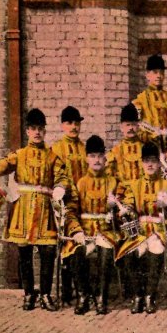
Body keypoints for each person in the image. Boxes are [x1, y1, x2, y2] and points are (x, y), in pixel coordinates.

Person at [0, 109, 70, 311]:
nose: (37, 132)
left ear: (45, 131)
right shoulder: (19, 155)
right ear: (28, 131)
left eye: (40, 129)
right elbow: (0, 168)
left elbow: (62, 177)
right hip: (23, 210)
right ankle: (29, 294)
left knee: (48, 252)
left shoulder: (52, 157)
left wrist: (60, 188)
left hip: (46, 210)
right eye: (33, 129)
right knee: (25, 253)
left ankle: (46, 294)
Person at [115, 142, 167, 314]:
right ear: (141, 163)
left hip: (159, 230)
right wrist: (126, 210)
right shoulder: (134, 185)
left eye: (153, 160)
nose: (150, 165)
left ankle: (150, 296)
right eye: (146, 161)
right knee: (129, 251)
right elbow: (129, 204)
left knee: (156, 248)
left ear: (159, 163)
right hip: (140, 230)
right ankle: (137, 295)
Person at [62, 135, 120, 315]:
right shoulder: (80, 183)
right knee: (75, 249)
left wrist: (114, 211)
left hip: (105, 229)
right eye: (92, 156)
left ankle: (101, 297)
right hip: (85, 230)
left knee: (105, 248)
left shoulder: (113, 182)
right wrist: (77, 231)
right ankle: (83, 295)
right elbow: (71, 212)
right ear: (87, 158)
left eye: (99, 156)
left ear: (105, 158)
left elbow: (123, 210)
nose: (96, 160)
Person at [51, 105, 88, 306]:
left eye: (76, 123)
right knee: (69, 243)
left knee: (81, 244)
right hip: (66, 204)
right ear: (62, 125)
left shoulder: (84, 148)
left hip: (85, 204)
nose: (73, 127)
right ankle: (67, 291)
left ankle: (82, 290)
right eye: (69, 123)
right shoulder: (57, 149)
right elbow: (57, 175)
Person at [133, 54, 167, 151]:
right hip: (150, 151)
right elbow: (136, 127)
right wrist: (149, 138)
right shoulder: (140, 100)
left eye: (161, 72)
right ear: (147, 75)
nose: (159, 76)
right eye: (155, 72)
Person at [107, 104, 145, 186]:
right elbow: (109, 176)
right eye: (127, 125)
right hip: (123, 194)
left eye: (133, 124)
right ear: (121, 127)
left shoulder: (145, 148)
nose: (131, 128)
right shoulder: (115, 151)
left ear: (138, 126)